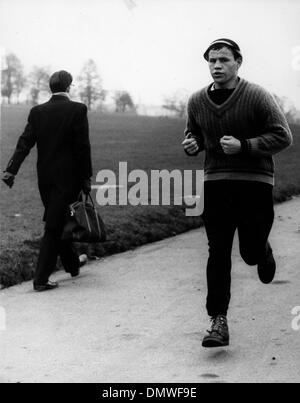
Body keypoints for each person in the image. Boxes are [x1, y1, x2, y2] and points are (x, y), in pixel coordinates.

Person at [182, 39, 292, 347]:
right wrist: (193, 144)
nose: (217, 65)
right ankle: (218, 321)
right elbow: (194, 133)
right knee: (217, 252)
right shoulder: (196, 100)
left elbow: (283, 136)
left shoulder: (257, 96)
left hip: (255, 182)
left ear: (238, 62)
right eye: (212, 60)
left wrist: (245, 146)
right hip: (216, 182)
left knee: (249, 252)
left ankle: (262, 251)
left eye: (223, 60)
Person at [2, 70, 92, 291]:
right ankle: (40, 280)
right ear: (69, 87)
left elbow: (24, 143)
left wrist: (10, 170)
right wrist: (86, 178)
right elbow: (82, 148)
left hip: (45, 179)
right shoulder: (78, 110)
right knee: (54, 226)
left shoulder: (37, 112)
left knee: (57, 220)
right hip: (68, 179)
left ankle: (72, 265)